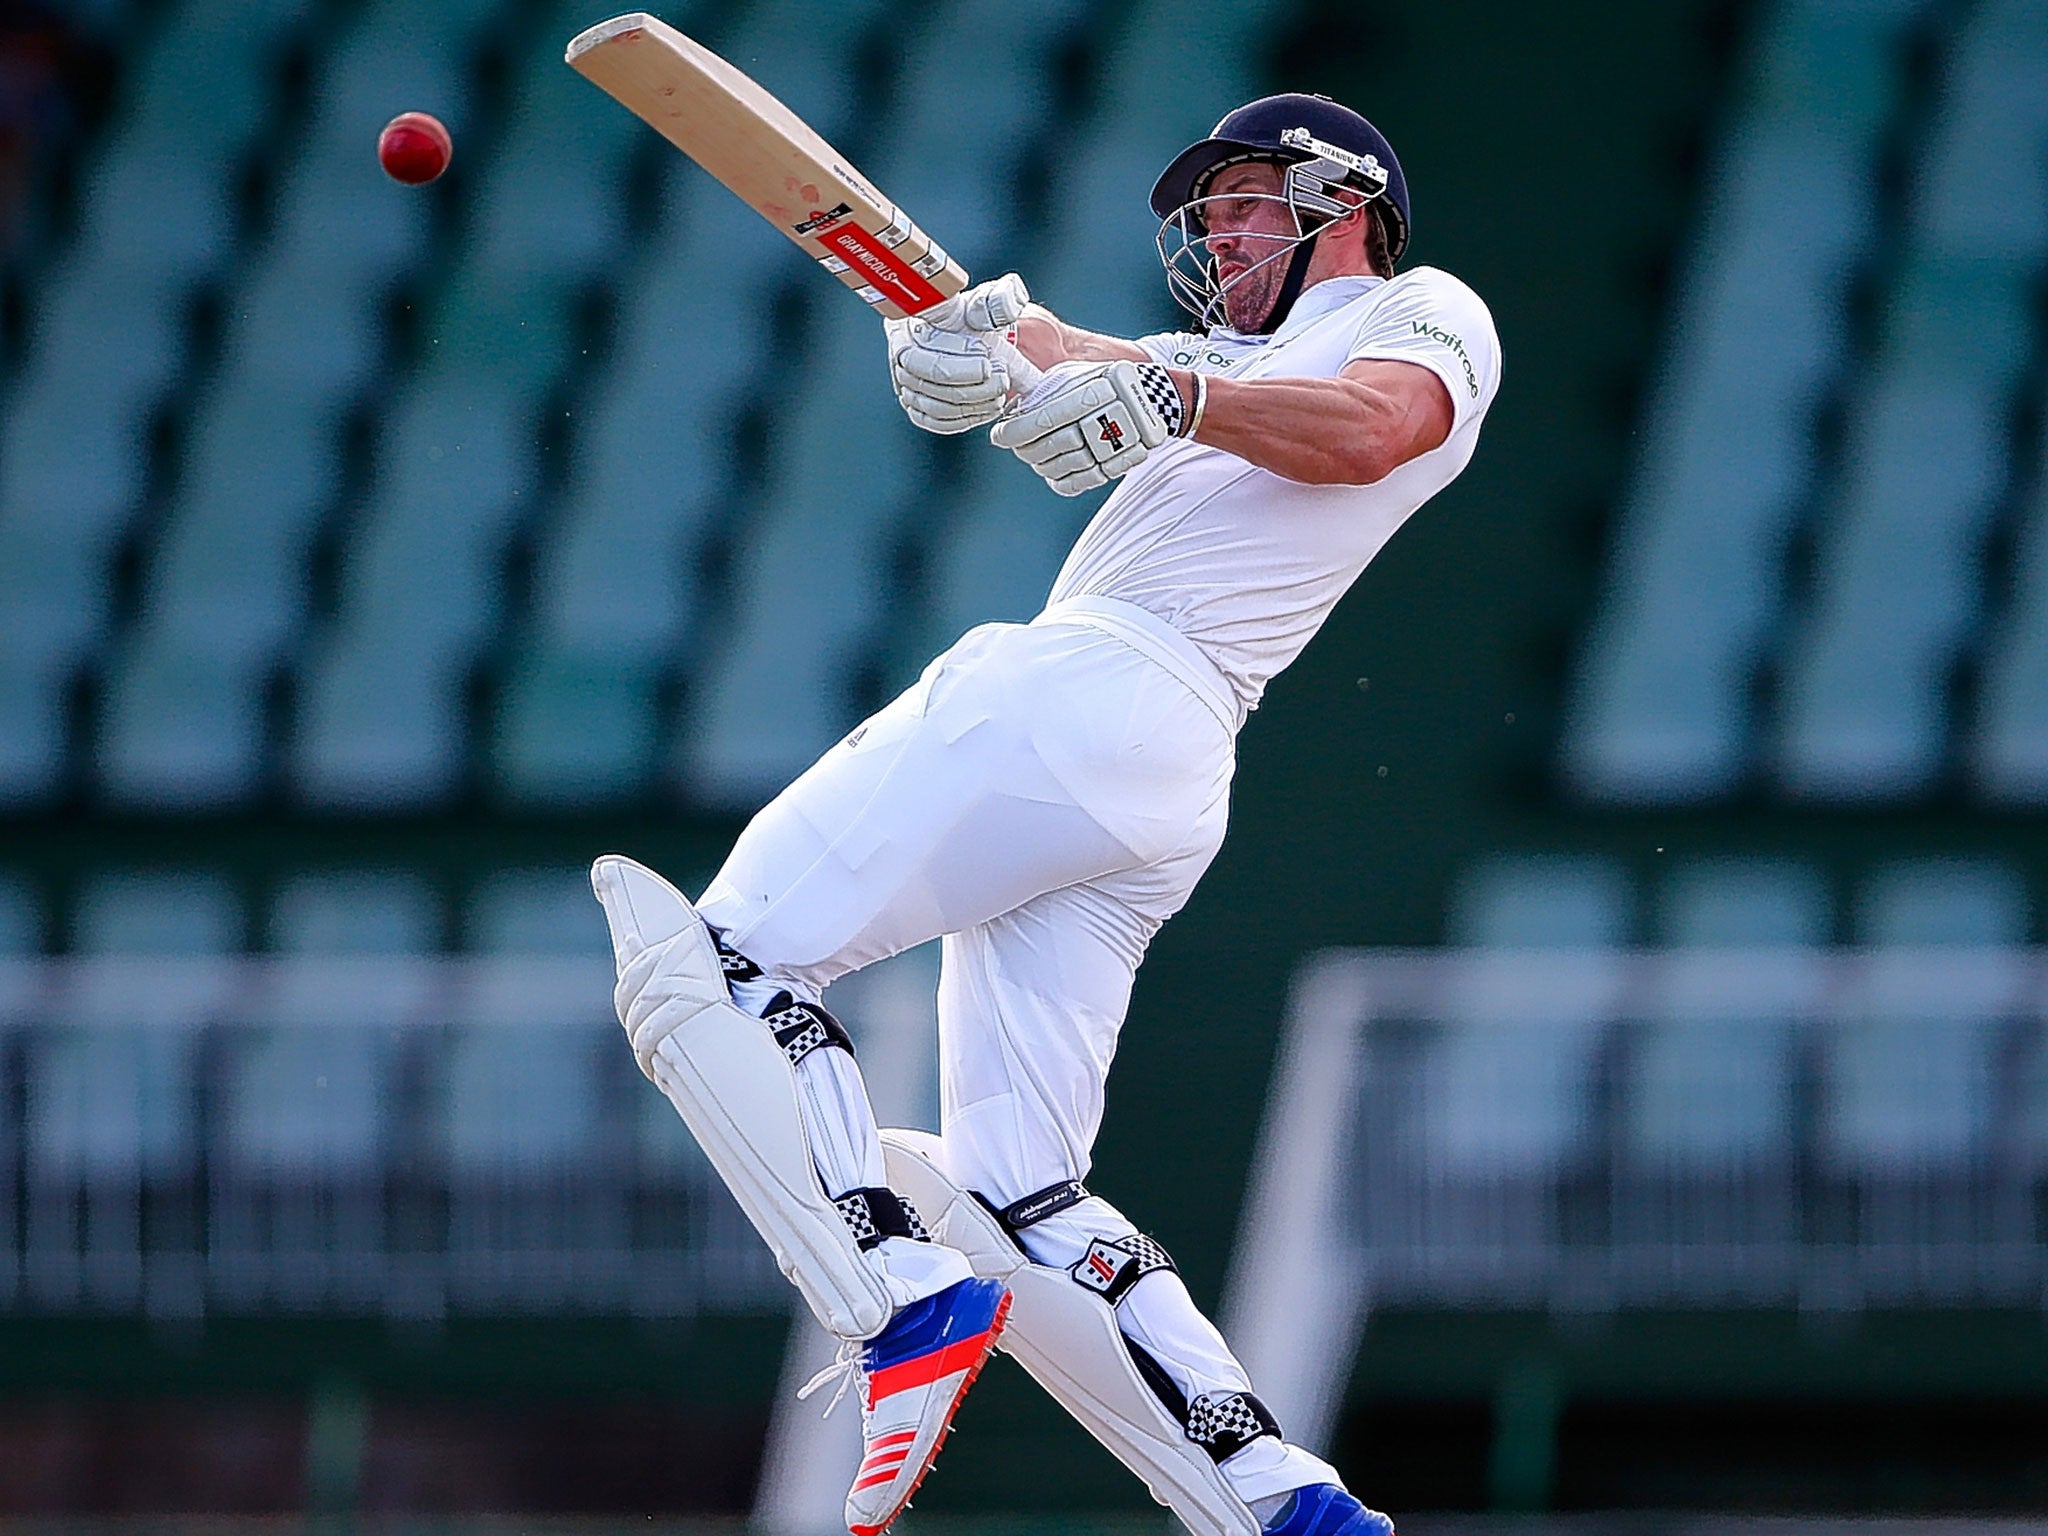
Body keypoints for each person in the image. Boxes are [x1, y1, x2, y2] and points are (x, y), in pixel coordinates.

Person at [591, 93, 1501, 1536]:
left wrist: (1177, 396)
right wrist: (954, 332)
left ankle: (888, 1291)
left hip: (1102, 689)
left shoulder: (1421, 313)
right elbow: (1078, 358)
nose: (1217, 231)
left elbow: (1376, 431)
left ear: (1343, 200)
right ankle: (1279, 1506)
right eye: (1208, 212)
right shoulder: (1224, 361)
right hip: (1158, 768)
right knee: (1024, 1197)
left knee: (712, 966)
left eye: (1246, 201)